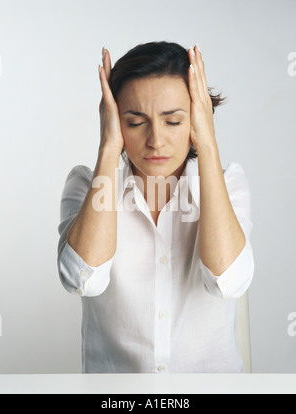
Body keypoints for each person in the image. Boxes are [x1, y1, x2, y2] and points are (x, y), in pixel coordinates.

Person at [57, 41, 254, 373]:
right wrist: (108, 146)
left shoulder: (229, 183)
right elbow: (83, 280)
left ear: (195, 119)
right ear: (116, 121)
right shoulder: (86, 186)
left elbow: (228, 281)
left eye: (173, 121)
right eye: (135, 122)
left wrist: (206, 143)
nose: (156, 140)